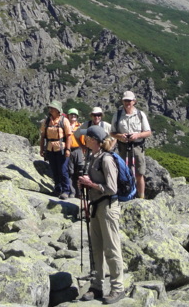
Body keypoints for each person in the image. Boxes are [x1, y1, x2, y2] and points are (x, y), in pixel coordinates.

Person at [76, 125, 125, 304]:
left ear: (93, 140)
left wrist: (92, 184)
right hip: (96, 206)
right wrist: (85, 184)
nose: (84, 139)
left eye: (87, 137)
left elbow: (112, 188)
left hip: (108, 207)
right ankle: (97, 286)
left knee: (111, 248)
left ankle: (118, 288)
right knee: (96, 247)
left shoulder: (106, 160)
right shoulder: (91, 157)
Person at [110, 91, 151, 199]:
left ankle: (141, 198)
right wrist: (120, 136)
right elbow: (112, 133)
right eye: (125, 100)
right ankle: (125, 195)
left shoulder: (140, 114)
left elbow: (148, 132)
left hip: (137, 146)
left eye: (129, 100)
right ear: (123, 101)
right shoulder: (117, 115)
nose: (127, 102)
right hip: (123, 147)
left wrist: (137, 135)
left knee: (139, 173)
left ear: (134, 101)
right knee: (123, 172)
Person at [67, 107, 110, 201]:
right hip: (90, 154)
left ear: (101, 116)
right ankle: (88, 195)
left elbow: (114, 136)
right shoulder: (87, 125)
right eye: (94, 115)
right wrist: (82, 146)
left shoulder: (106, 126)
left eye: (98, 115)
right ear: (91, 116)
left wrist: (109, 148)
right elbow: (77, 134)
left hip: (102, 155)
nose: (96, 117)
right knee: (88, 172)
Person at [39, 100, 73, 200]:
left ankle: (66, 190)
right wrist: (42, 149)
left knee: (63, 170)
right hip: (50, 149)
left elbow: (69, 136)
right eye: (50, 108)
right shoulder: (46, 121)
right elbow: (42, 136)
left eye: (53, 108)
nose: (51, 109)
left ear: (58, 110)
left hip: (61, 148)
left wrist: (68, 149)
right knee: (54, 170)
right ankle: (57, 189)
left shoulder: (64, 121)